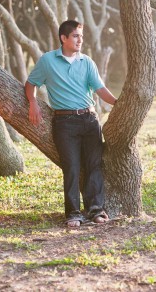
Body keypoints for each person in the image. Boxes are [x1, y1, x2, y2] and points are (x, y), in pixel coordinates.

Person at [25, 19, 118, 228]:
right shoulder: (48, 61)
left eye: (81, 36)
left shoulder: (87, 62)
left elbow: (100, 90)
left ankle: (96, 210)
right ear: (63, 38)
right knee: (72, 167)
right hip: (64, 122)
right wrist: (33, 102)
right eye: (75, 36)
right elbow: (31, 83)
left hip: (90, 119)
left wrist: (119, 103)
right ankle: (73, 213)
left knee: (94, 165)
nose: (80, 40)